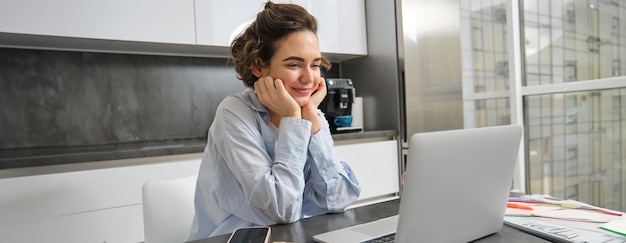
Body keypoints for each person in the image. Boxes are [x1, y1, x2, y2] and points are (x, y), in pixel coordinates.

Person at [186, 1, 361, 240]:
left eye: (315, 65)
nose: (309, 78)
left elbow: (339, 200)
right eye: (294, 64)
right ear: (259, 66)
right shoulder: (234, 113)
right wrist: (292, 120)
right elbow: (281, 211)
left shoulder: (308, 113)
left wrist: (311, 119)